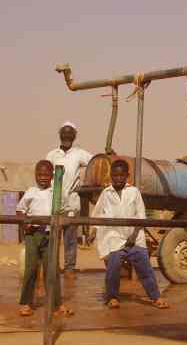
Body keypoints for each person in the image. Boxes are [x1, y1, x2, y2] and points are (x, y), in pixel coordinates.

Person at [89, 159, 168, 310]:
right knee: (113, 269)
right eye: (115, 175)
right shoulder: (106, 194)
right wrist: (94, 230)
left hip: (135, 238)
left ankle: (156, 297)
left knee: (145, 270)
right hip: (115, 238)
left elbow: (141, 215)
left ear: (127, 176)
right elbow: (97, 213)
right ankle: (112, 297)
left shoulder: (134, 192)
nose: (118, 179)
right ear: (111, 176)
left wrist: (133, 236)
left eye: (121, 175)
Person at [15, 160, 73, 317]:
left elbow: (66, 211)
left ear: (52, 175)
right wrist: (25, 224)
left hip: (50, 234)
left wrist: (60, 223)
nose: (42, 178)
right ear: (35, 175)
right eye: (39, 174)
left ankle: (56, 304)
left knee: (51, 270)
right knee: (31, 269)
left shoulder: (57, 192)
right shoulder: (31, 192)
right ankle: (26, 303)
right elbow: (20, 211)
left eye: (46, 174)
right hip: (33, 235)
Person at [47, 121, 93, 279]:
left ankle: (69, 268)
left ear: (74, 136)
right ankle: (52, 266)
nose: (67, 136)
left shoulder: (79, 154)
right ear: (60, 135)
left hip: (72, 203)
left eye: (70, 133)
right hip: (53, 202)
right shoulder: (52, 155)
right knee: (53, 237)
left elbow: (95, 162)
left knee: (70, 238)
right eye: (64, 133)